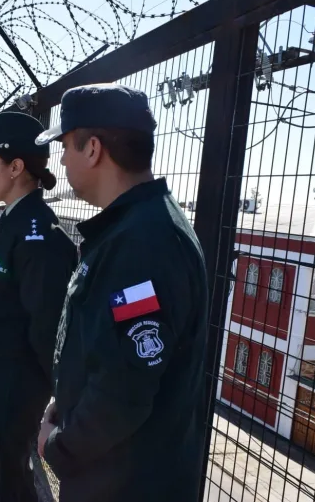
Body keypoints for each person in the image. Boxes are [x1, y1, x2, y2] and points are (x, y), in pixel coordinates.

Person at [34, 84, 209, 502]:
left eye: (65, 147)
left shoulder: (143, 243)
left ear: (93, 149)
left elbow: (124, 391)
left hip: (123, 485)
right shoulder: (135, 230)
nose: (61, 159)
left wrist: (57, 447)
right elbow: (109, 352)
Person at [0, 111, 78, 502]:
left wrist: (51, 399)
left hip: (11, 390)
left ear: (16, 166)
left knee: (2, 484)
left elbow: (46, 332)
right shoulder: (12, 222)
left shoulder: (39, 238)